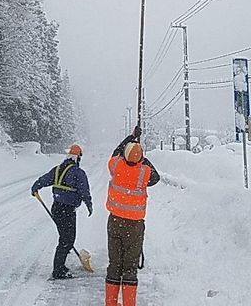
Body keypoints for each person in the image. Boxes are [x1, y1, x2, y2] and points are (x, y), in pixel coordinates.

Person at [105, 125, 160, 306]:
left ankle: (111, 303)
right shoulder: (144, 172)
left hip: (115, 222)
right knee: (130, 268)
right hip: (134, 226)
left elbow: (116, 152)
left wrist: (130, 138)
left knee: (114, 265)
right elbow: (156, 177)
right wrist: (142, 158)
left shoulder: (116, 166)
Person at [31, 143, 93, 279]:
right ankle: (58, 270)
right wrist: (89, 204)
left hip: (57, 208)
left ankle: (61, 265)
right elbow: (84, 191)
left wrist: (35, 187)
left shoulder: (57, 169)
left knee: (65, 238)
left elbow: (44, 180)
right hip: (67, 210)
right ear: (78, 158)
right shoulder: (78, 172)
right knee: (67, 240)